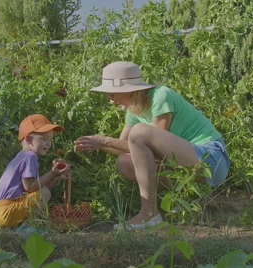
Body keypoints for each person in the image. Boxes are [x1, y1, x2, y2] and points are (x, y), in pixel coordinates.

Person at [74, 61, 229, 230]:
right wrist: (96, 143)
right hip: (188, 166)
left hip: (212, 159)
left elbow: (152, 143)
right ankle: (189, 197)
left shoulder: (161, 95)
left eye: (112, 94)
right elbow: (125, 147)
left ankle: (149, 214)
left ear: (129, 89)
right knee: (125, 163)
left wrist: (105, 140)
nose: (110, 101)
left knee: (139, 131)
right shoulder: (134, 110)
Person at [0, 114, 71, 228]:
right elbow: (30, 187)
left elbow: (35, 189)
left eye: (50, 140)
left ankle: (21, 227)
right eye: (44, 139)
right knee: (45, 193)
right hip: (7, 211)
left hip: (1, 212)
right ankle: (28, 228)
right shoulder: (30, 156)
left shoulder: (22, 156)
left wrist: (55, 177)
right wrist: (52, 173)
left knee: (43, 191)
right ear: (28, 139)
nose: (48, 144)